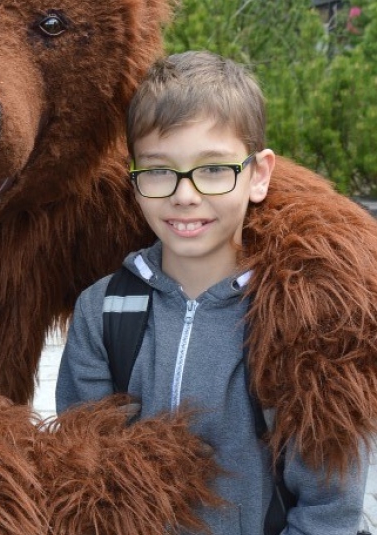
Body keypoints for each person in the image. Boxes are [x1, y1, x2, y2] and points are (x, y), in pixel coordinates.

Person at [55, 51, 368, 534]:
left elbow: (329, 507)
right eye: (159, 170)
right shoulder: (103, 310)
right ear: (134, 181)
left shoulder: (305, 316)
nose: (185, 195)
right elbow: (88, 478)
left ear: (258, 175)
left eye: (214, 169)